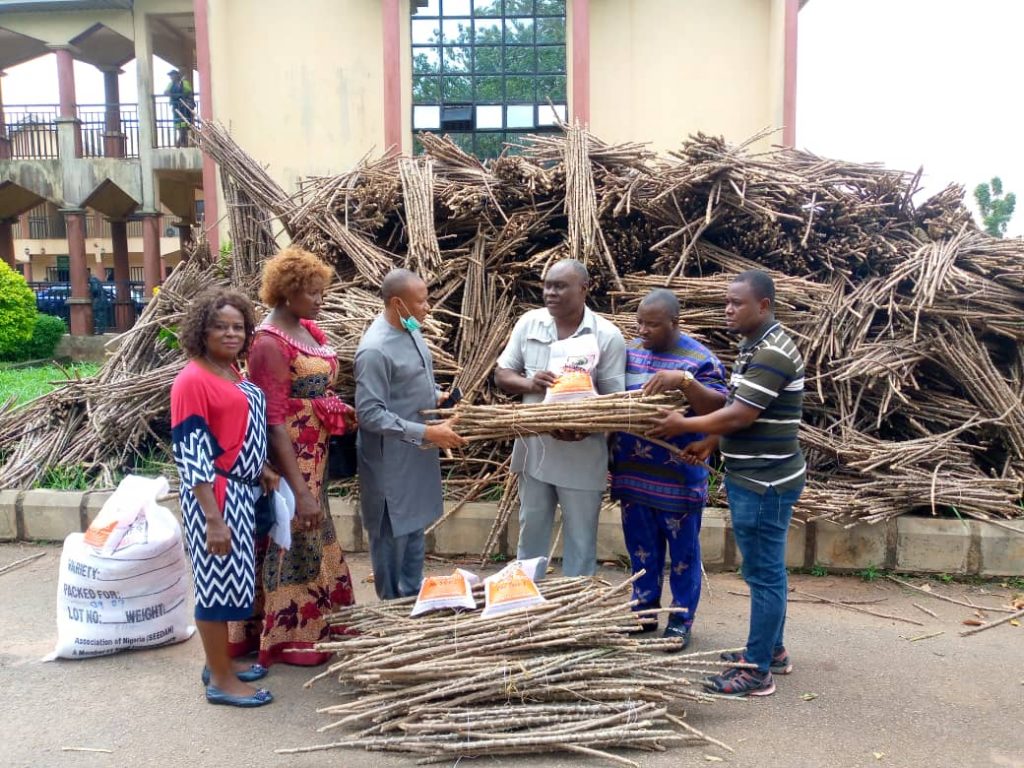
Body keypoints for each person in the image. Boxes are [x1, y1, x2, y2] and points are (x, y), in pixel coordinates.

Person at [649, 269, 805, 697]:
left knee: (764, 572)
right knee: (763, 570)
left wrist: (686, 423)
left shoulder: (773, 352)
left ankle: (757, 671)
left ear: (764, 306)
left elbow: (740, 416)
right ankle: (771, 651)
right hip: (754, 474)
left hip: (765, 482)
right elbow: (740, 406)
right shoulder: (751, 346)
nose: (728, 309)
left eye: (737, 303)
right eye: (726, 302)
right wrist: (710, 441)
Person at [241, 246, 357, 666]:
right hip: (293, 454)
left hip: (317, 450)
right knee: (295, 529)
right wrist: (297, 487)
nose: (319, 300)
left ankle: (319, 620)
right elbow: (271, 419)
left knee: (311, 532)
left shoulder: (307, 330)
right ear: (287, 294)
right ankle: (291, 634)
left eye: (321, 291)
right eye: (312, 293)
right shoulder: (269, 343)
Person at [170, 287, 277, 708]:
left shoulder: (231, 371)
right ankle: (220, 680)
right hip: (213, 496)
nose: (231, 334)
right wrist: (213, 519)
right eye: (220, 326)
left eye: (238, 327)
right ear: (202, 330)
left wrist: (262, 466)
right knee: (215, 590)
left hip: (242, 490)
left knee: (234, 584)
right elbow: (192, 454)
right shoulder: (193, 379)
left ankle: (220, 665)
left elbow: (238, 427)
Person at [610, 289, 728, 649]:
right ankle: (644, 612)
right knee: (641, 550)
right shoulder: (628, 353)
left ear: (675, 323)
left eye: (653, 324)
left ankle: (680, 620)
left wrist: (683, 381)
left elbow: (722, 405)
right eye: (640, 322)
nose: (644, 330)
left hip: (679, 477)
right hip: (632, 474)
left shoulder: (699, 360)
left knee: (683, 555)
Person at [495, 259, 626, 577]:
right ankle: (525, 603)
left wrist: (583, 429)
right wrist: (530, 384)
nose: (550, 292)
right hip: (534, 449)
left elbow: (614, 402)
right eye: (547, 285)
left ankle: (575, 608)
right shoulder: (530, 323)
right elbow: (502, 373)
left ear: (584, 289)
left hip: (582, 455)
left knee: (581, 540)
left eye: (559, 286)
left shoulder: (606, 336)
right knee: (531, 533)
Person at [355, 268, 465, 600]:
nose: (427, 307)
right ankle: (391, 607)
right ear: (397, 303)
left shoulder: (411, 327)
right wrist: (427, 432)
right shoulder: (374, 350)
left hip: (416, 456)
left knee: (415, 531)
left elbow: (416, 371)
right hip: (391, 462)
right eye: (422, 301)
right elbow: (369, 413)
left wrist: (435, 394)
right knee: (393, 537)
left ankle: (412, 596)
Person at [165, 69, 195, 147]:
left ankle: (181, 142)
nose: (171, 77)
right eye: (170, 76)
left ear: (177, 75)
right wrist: (176, 95)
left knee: (184, 125)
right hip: (176, 107)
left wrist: (175, 95)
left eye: (173, 75)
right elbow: (166, 92)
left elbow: (188, 91)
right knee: (178, 124)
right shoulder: (170, 84)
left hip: (184, 107)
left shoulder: (184, 83)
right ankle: (182, 142)